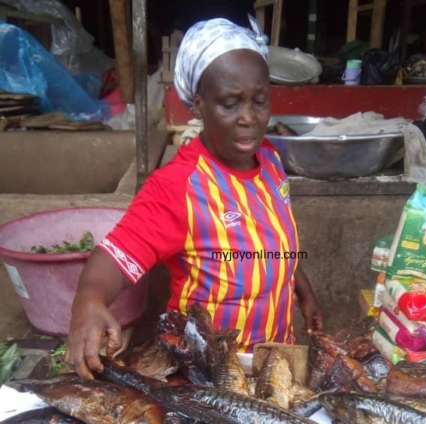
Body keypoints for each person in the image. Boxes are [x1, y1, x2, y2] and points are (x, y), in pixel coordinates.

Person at [64, 14, 324, 380]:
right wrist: (88, 301)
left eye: (260, 100)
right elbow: (116, 256)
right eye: (230, 103)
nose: (249, 117)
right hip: (207, 379)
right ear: (198, 105)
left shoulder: (270, 161)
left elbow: (271, 237)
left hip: (273, 365)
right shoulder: (179, 186)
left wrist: (302, 290)